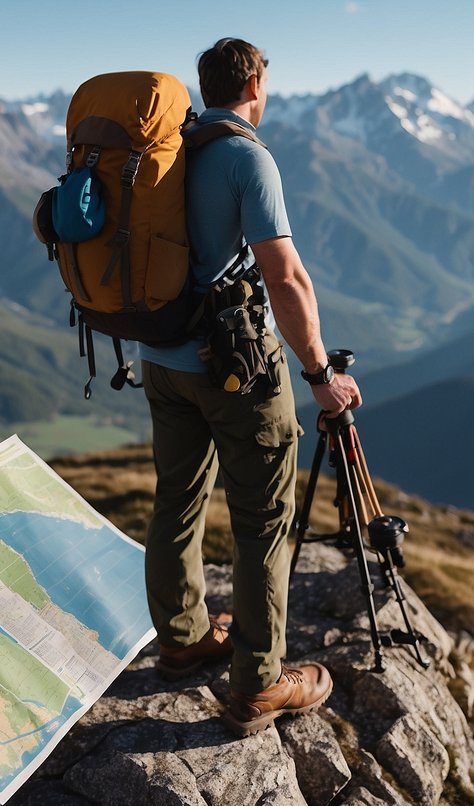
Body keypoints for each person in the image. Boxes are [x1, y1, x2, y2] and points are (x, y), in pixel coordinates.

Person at [139, 37, 362, 737]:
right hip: (234, 368)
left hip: (161, 359)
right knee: (263, 524)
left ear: (204, 87)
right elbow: (285, 277)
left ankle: (179, 639)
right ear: (256, 85)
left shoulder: (167, 150)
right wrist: (321, 374)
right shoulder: (244, 157)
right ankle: (258, 684)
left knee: (176, 498)